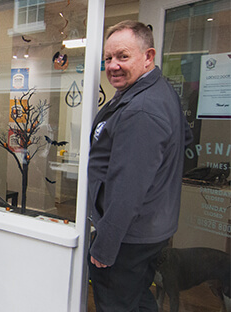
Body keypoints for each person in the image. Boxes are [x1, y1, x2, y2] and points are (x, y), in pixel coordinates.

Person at [87, 21, 192, 311]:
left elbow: (128, 188)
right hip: (148, 227)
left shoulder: (142, 109)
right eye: (108, 58)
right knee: (137, 300)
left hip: (128, 237)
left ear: (148, 57)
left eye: (123, 56)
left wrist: (105, 245)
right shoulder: (152, 90)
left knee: (118, 302)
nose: (113, 66)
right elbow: (184, 138)